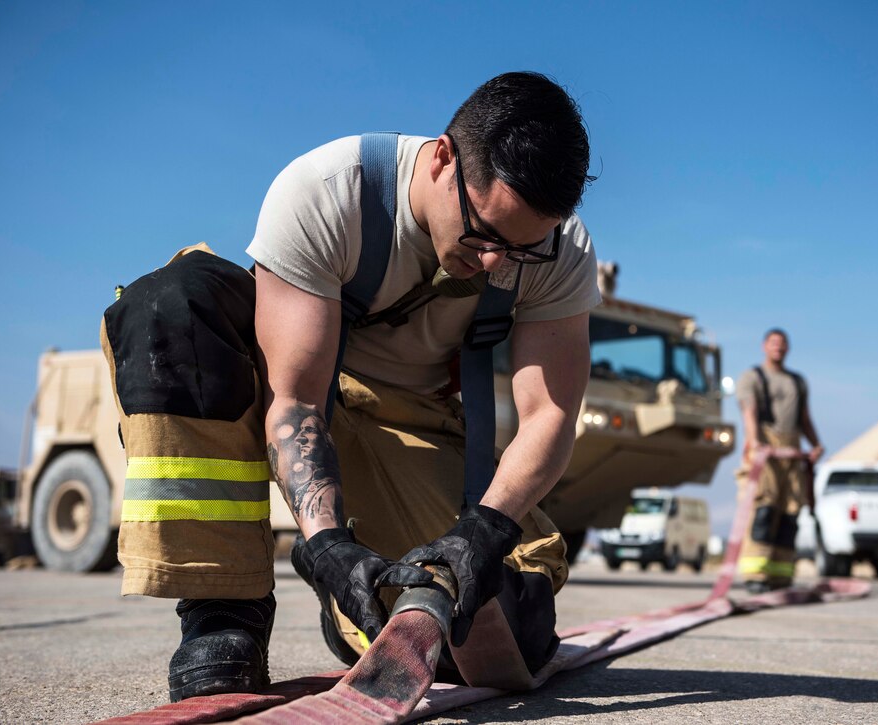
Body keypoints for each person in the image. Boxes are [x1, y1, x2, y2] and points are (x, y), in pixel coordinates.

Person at [100, 71, 599, 701]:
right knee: (173, 304)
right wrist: (328, 547)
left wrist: (486, 530)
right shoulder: (328, 193)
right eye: (484, 233)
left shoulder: (560, 251)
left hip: (413, 420)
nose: (497, 262)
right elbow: (297, 399)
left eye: (523, 247)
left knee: (502, 630)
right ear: (443, 158)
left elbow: (548, 416)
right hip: (308, 392)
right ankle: (224, 613)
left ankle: (357, 615)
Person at [734, 328, 823, 593]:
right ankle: (756, 574)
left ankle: (782, 574)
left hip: (792, 447)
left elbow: (804, 418)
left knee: (790, 512)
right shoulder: (752, 377)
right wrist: (756, 441)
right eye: (774, 343)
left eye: (783, 344)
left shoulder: (798, 381)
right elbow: (749, 412)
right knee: (765, 508)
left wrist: (815, 444)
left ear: (788, 348)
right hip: (766, 445)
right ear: (764, 346)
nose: (779, 348)